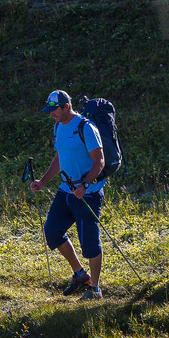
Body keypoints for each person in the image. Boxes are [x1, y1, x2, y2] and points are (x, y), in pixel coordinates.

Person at [28, 90, 107, 299]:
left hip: (88, 194)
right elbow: (59, 158)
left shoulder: (86, 127)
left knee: (90, 242)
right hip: (66, 190)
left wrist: (85, 185)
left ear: (66, 106)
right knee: (52, 231)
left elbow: (99, 161)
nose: (52, 114)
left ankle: (95, 289)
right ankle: (80, 274)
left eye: (55, 110)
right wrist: (43, 181)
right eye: (50, 110)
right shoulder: (58, 126)